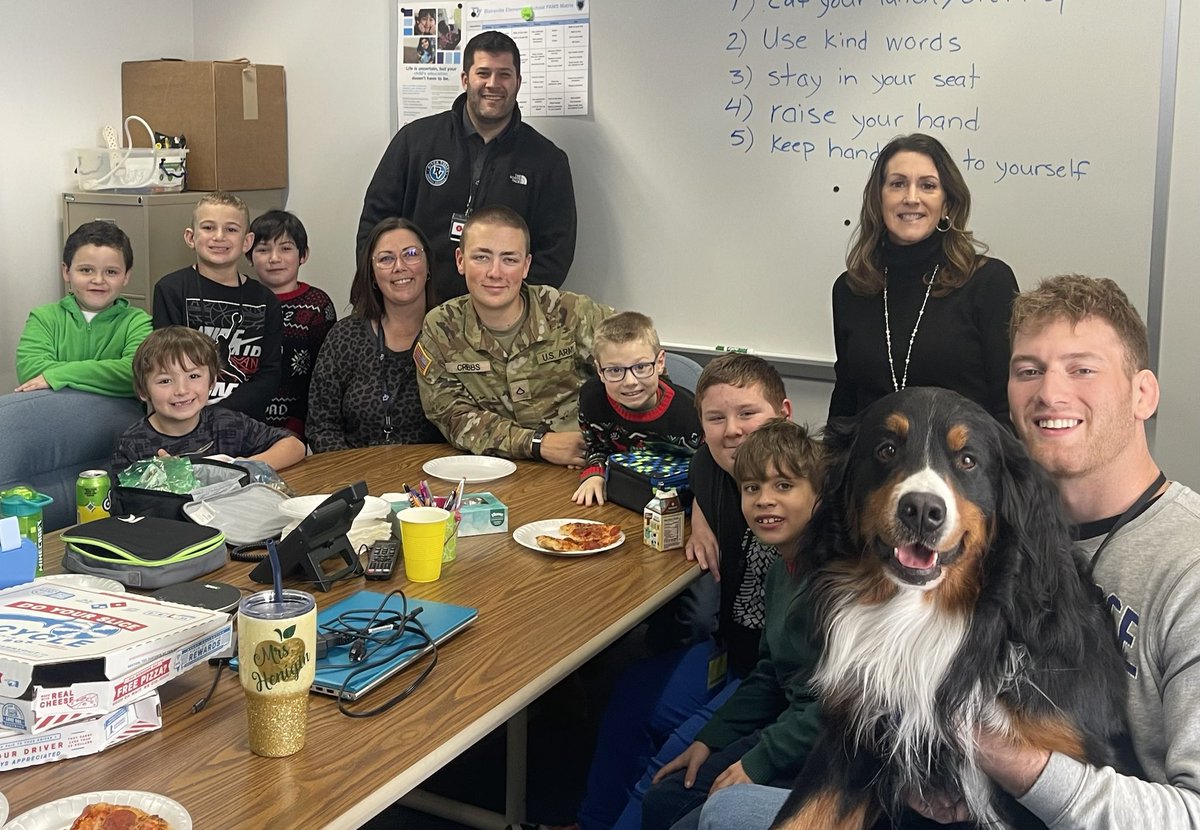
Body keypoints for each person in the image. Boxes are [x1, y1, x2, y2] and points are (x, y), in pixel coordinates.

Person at [696, 274, 1200, 829]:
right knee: (720, 810)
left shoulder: (1187, 563)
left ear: (1143, 392)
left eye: (1082, 368)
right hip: (929, 797)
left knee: (727, 813)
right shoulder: (1008, 517)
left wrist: (999, 757)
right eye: (1029, 370)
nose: (1051, 393)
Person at [576, 354, 794, 830]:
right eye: (716, 418)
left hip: (777, 682)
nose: (732, 430)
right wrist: (697, 515)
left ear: (784, 413)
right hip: (732, 653)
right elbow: (699, 469)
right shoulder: (710, 465)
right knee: (630, 700)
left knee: (671, 765)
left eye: (748, 414)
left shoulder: (814, 498)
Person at [641, 419, 826, 830]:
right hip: (792, 731)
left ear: (818, 496)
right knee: (665, 799)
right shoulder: (781, 571)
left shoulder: (839, 582)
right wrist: (711, 739)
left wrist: (758, 764)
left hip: (832, 751)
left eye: (783, 486)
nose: (763, 500)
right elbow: (770, 675)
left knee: (692, 821)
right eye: (751, 488)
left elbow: (841, 708)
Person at [358, 30, 577, 304]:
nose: (493, 84)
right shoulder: (415, 141)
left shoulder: (547, 161)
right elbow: (376, 224)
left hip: (500, 321)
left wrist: (508, 310)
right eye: (483, 73)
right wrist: (380, 297)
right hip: (413, 309)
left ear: (518, 82)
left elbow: (555, 253)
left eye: (504, 74)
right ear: (465, 79)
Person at [828, 133, 1017, 422]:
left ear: (947, 204)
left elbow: (1008, 407)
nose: (911, 198)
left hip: (960, 463)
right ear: (879, 199)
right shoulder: (851, 289)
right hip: (875, 463)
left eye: (927, 186)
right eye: (898, 184)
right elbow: (845, 401)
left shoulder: (989, 282)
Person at [415, 205, 610, 465]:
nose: (495, 272)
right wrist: (537, 444)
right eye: (482, 257)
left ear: (526, 265)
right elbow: (453, 417)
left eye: (509, 259)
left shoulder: (571, 312)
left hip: (582, 467)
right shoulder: (441, 328)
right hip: (492, 471)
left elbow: (642, 371)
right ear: (460, 261)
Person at [307, 217, 444, 453]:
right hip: (356, 477)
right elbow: (321, 426)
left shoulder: (452, 334)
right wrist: (354, 478)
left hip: (433, 477)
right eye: (386, 258)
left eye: (411, 253)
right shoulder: (345, 336)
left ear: (428, 264)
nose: (399, 266)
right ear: (371, 273)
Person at [152, 191, 283, 421]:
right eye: (208, 228)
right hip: (184, 420)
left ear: (247, 242)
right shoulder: (171, 290)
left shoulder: (265, 300)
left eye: (231, 229)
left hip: (244, 421)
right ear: (191, 237)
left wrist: (221, 413)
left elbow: (270, 374)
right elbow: (165, 364)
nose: (219, 237)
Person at [111, 326, 304, 474]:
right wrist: (165, 480)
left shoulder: (227, 424)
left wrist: (238, 467)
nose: (182, 390)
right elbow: (123, 508)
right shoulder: (133, 443)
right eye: (165, 381)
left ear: (212, 381)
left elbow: (294, 447)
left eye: (193, 376)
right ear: (143, 391)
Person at [573, 311, 703, 506]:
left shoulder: (691, 415)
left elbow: (711, 468)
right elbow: (597, 446)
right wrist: (595, 473)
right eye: (615, 370)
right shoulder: (592, 399)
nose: (630, 381)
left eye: (641, 367)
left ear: (660, 363)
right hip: (624, 495)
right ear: (599, 371)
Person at [15, 221, 151, 397]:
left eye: (111, 272)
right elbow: (29, 370)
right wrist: (104, 377)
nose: (98, 280)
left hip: (117, 421)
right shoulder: (44, 318)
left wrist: (56, 375)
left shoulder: (138, 322)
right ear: (66, 272)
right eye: (86, 270)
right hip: (52, 414)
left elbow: (135, 374)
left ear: (126, 276)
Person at [247, 210, 337, 441]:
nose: (274, 258)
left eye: (285, 248)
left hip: (299, 424)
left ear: (303, 255)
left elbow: (323, 376)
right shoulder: (243, 300)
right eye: (263, 249)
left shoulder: (317, 305)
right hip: (245, 422)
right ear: (248, 254)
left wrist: (299, 423)